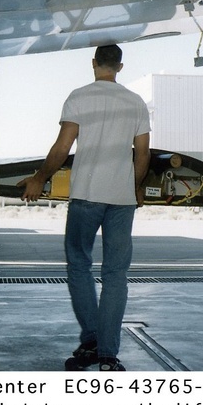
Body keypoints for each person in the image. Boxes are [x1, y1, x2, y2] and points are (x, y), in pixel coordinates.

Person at [20, 44, 150, 372]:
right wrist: (134, 188)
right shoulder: (135, 102)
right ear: (120, 67)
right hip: (121, 200)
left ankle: (91, 339)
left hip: (87, 195)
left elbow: (63, 147)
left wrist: (39, 178)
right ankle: (108, 354)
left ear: (94, 64)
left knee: (79, 265)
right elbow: (143, 154)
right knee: (116, 274)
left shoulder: (79, 96)